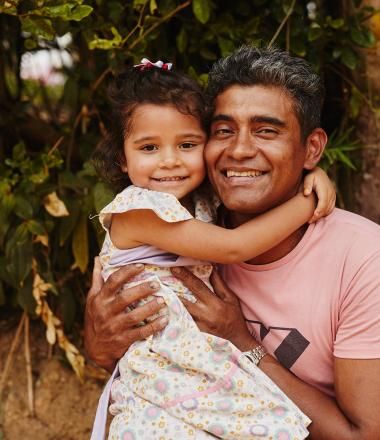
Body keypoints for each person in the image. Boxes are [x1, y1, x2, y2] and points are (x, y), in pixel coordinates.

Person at [86, 47, 380, 439]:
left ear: (312, 149)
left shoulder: (363, 258)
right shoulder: (179, 216)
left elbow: (364, 435)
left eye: (266, 130)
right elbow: (235, 247)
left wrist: (242, 341)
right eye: (224, 131)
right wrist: (98, 341)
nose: (239, 150)